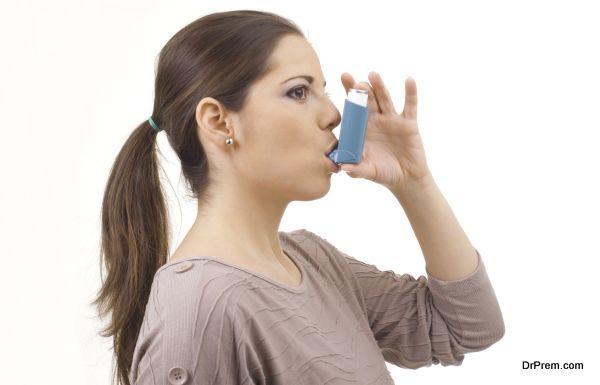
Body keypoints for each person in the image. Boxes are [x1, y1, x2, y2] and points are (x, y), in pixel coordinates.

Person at [91, 9, 505, 385]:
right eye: (298, 92)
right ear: (218, 122)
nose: (333, 114)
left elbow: (468, 326)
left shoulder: (314, 261)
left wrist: (414, 182)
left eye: (322, 90)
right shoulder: (200, 305)